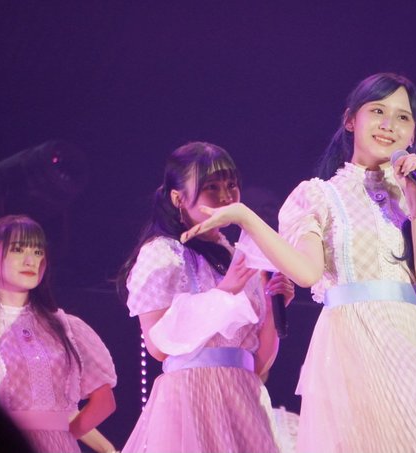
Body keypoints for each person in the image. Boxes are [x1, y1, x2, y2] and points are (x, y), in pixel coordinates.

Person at [183, 72, 416, 452]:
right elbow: (306, 273)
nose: (389, 124)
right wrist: (246, 217)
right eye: (378, 111)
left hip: (412, 339)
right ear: (351, 120)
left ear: (413, 133)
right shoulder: (318, 196)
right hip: (352, 343)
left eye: (403, 117)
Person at [118, 141, 293, 453]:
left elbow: (258, 363)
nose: (226, 196)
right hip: (190, 397)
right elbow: (158, 346)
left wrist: (271, 304)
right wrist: (225, 292)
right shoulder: (163, 254)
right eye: (212, 187)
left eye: (231, 185)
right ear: (178, 198)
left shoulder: (236, 255)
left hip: (244, 398)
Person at [0, 214, 117, 453]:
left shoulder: (67, 327)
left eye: (37, 252)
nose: (30, 260)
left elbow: (104, 401)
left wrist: (60, 435)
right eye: (18, 249)